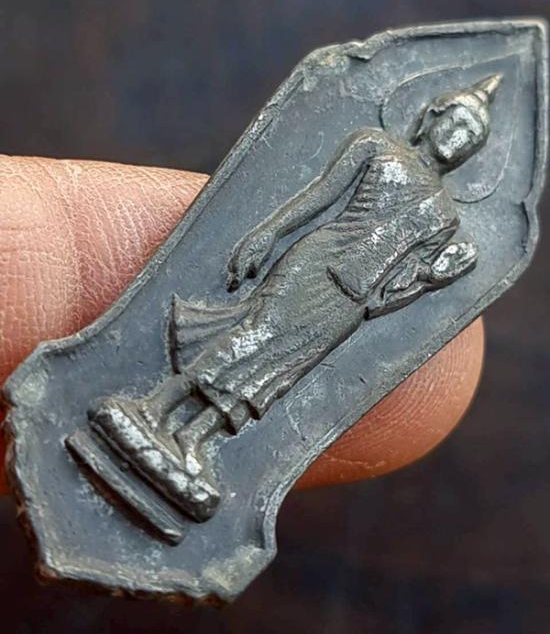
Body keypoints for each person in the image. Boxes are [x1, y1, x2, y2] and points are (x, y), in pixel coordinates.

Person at [88, 74, 499, 504]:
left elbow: (390, 294)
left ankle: (194, 438)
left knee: (279, 371)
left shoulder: (443, 217)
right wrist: (268, 232)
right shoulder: (376, 148)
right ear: (431, 116)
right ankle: (154, 407)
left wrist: (431, 277)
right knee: (254, 336)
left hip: (351, 301)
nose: (459, 137)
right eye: (456, 121)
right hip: (317, 265)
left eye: (471, 136)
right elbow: (320, 196)